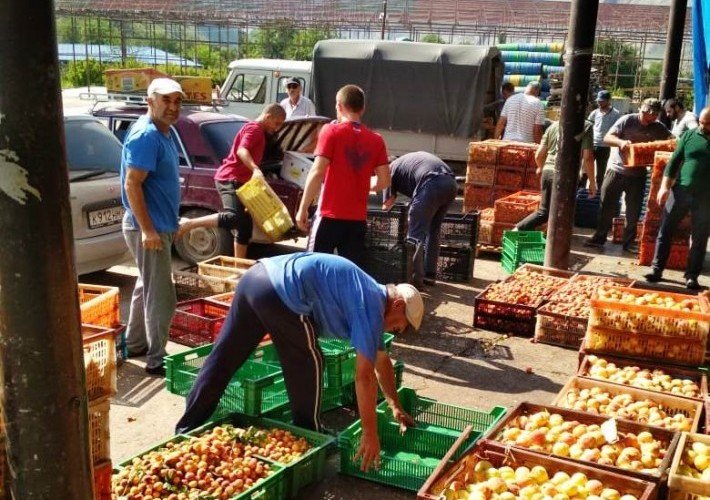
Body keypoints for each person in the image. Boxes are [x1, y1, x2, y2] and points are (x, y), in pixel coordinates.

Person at [174, 252, 423, 471]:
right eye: (400, 326)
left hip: (255, 278)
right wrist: (370, 433)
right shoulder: (371, 305)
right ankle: (310, 436)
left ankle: (187, 427)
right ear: (398, 303)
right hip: (282, 293)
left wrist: (395, 405)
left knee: (225, 357)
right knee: (309, 362)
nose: (396, 330)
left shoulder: (369, 294)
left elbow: (381, 362)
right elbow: (364, 376)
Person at [121, 78, 185, 376]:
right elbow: (132, 183)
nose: (172, 107)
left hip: (159, 224)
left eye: (177, 101)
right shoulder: (147, 135)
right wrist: (148, 230)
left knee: (146, 285)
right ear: (150, 101)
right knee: (162, 295)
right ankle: (157, 359)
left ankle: (134, 344)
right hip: (149, 227)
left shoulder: (165, 132)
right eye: (165, 100)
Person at [295, 84, 390, 268]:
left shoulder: (330, 131)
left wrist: (303, 208)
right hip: (357, 221)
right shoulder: (376, 140)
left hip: (329, 217)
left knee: (315, 271)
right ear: (362, 109)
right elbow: (384, 181)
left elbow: (317, 171)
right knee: (348, 275)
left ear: (338, 106)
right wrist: (362, 184)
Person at [198, 103, 287, 258]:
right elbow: (242, 150)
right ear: (268, 116)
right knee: (233, 218)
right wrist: (255, 169)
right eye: (277, 123)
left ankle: (239, 267)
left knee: (244, 229)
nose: (277, 128)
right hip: (230, 178)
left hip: (243, 183)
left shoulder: (258, 130)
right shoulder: (254, 129)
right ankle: (188, 224)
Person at [585, 98, 672, 252]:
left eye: (652, 117)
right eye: (646, 115)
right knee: (606, 205)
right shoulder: (627, 120)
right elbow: (607, 137)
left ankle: (629, 242)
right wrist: (621, 143)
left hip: (638, 174)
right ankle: (599, 238)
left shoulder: (659, 128)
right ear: (641, 110)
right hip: (616, 170)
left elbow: (672, 141)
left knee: (634, 210)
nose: (648, 119)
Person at [644, 106, 710, 290]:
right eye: (701, 123)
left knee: (700, 237)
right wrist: (664, 187)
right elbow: (673, 162)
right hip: (680, 191)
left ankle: (692, 276)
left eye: (707, 124)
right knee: (665, 230)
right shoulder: (690, 136)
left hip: (706, 198)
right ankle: (656, 269)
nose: (702, 127)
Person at [382, 152, 457, 288]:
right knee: (433, 231)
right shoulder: (405, 163)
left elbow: (387, 204)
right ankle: (430, 275)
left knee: (415, 235)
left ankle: (415, 279)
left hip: (431, 185)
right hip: (450, 184)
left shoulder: (391, 169)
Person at [515, 120, 595, 231]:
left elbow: (538, 155)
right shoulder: (586, 126)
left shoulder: (552, 126)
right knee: (563, 212)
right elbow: (588, 158)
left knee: (544, 211)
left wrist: (541, 167)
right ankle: (518, 229)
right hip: (565, 175)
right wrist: (592, 182)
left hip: (547, 172)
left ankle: (520, 231)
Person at [587, 90, 621, 192]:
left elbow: (618, 129)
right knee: (586, 170)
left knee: (601, 172)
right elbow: (588, 126)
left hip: (605, 147)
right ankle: (582, 189)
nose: (599, 103)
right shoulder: (594, 113)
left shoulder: (616, 114)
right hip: (592, 145)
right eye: (598, 101)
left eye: (602, 101)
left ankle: (598, 192)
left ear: (608, 101)